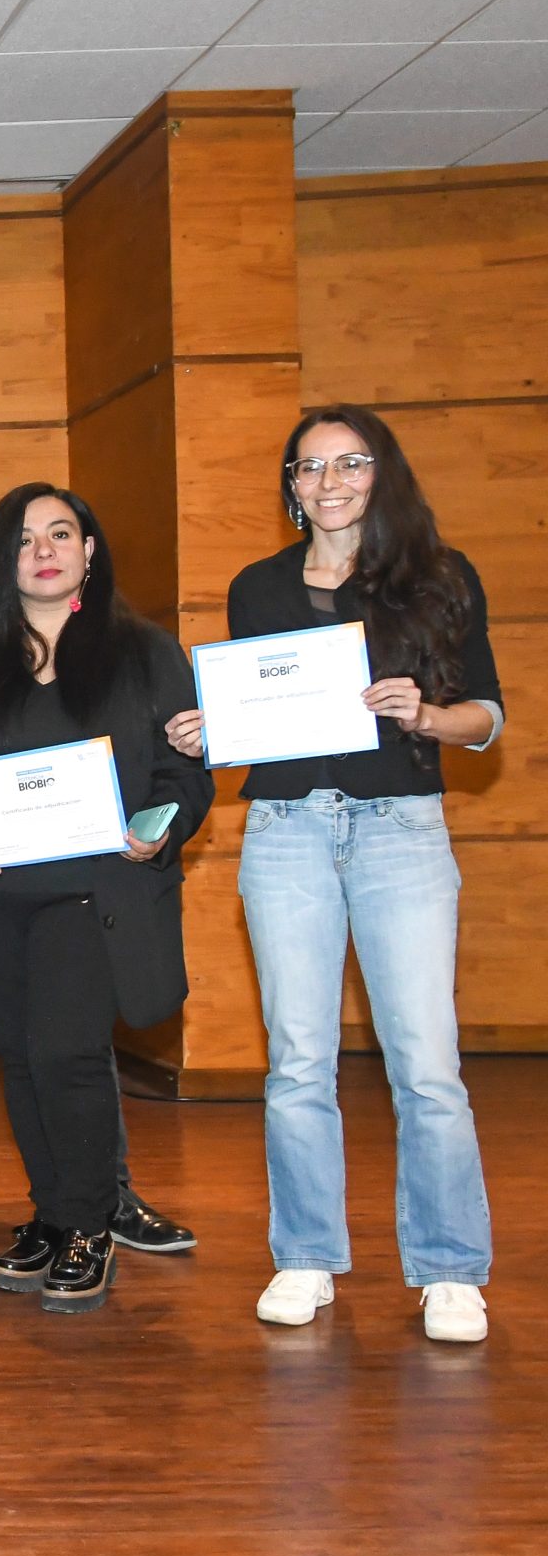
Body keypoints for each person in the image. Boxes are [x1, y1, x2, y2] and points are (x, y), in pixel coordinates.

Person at [170, 405, 502, 1343]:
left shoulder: (440, 577)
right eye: (309, 468)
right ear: (291, 487)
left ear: (380, 473)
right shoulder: (258, 587)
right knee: (298, 1059)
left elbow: (486, 717)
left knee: (426, 1064)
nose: (329, 482)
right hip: (286, 832)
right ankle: (305, 1255)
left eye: (349, 464)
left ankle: (450, 1269)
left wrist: (424, 716)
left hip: (401, 829)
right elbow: (264, 721)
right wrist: (210, 733)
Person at [0, 431, 194, 1255]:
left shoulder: (145, 651)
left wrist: (154, 832)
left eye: (60, 535)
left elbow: (183, 775)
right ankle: (54, 1214)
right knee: (19, 1059)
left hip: (94, 897)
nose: (43, 552)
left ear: (89, 551)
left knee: (67, 1056)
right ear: (1, 560)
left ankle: (86, 1228)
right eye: (24, 540)